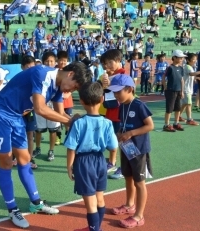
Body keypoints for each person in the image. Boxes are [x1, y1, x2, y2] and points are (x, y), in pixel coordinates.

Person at [0, 61, 91, 228]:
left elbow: (60, 113)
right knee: (5, 162)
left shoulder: (58, 85)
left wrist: (76, 126)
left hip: (18, 117)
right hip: (1, 114)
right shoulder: (42, 74)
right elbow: (40, 108)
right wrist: (71, 122)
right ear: (70, 74)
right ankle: (12, 209)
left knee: (25, 159)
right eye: (74, 86)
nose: (72, 91)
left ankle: (36, 202)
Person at [64, 82, 118, 231]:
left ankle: (94, 229)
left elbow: (71, 148)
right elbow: (113, 147)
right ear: (102, 99)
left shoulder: (79, 123)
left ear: (81, 101)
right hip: (100, 160)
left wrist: (69, 167)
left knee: (90, 203)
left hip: (84, 162)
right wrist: (112, 162)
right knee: (99, 198)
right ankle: (95, 227)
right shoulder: (107, 122)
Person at [108, 74, 154, 229]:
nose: (115, 95)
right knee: (127, 177)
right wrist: (120, 134)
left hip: (139, 149)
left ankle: (139, 216)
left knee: (139, 182)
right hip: (127, 148)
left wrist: (131, 134)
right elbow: (124, 124)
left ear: (129, 89)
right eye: (113, 92)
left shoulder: (139, 105)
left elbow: (150, 126)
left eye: (118, 91)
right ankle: (129, 205)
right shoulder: (122, 106)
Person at [99, 49, 124, 178]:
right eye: (105, 63)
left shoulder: (123, 75)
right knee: (113, 139)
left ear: (118, 61)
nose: (107, 66)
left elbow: (125, 92)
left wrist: (109, 85)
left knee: (122, 141)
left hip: (121, 114)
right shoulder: (109, 76)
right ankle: (112, 163)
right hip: (110, 112)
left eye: (109, 62)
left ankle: (125, 167)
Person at [33, 52, 61, 161]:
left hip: (53, 105)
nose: (49, 63)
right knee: (38, 130)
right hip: (40, 105)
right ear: (43, 62)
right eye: (47, 61)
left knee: (53, 130)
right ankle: (38, 148)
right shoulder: (39, 74)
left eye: (52, 61)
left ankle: (51, 150)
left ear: (55, 62)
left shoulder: (58, 75)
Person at [162, 50, 186, 132]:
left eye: (182, 58)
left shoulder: (181, 68)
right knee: (169, 109)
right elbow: (163, 77)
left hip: (179, 91)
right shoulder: (170, 68)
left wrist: (182, 91)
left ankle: (176, 123)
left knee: (178, 108)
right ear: (174, 58)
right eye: (180, 57)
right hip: (171, 91)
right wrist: (165, 87)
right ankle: (166, 125)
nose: (182, 59)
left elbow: (182, 80)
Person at [179, 53, 200, 125]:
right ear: (188, 60)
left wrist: (197, 78)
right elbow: (192, 74)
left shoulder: (190, 67)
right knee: (189, 104)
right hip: (186, 89)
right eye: (193, 59)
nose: (195, 61)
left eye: (196, 59)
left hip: (188, 89)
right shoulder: (188, 67)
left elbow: (191, 75)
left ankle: (179, 115)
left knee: (185, 104)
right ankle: (189, 119)